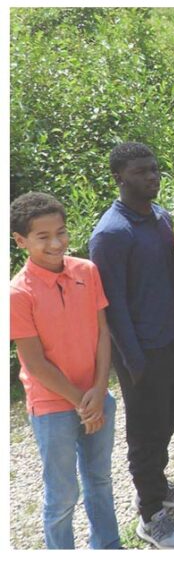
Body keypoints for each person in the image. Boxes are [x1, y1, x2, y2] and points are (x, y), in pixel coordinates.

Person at [88, 143, 174, 549]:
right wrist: (134, 363)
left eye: (154, 168)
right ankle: (151, 515)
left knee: (166, 420)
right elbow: (112, 309)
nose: (152, 176)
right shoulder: (111, 234)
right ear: (119, 177)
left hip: (173, 340)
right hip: (142, 353)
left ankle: (158, 484)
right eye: (140, 171)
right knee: (145, 433)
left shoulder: (160, 217)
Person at [10, 192, 120, 549]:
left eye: (62, 232)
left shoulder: (86, 271)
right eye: (43, 237)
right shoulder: (17, 294)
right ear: (21, 240)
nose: (57, 243)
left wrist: (99, 389)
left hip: (96, 393)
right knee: (62, 494)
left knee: (100, 479)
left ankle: (108, 546)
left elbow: (103, 332)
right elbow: (35, 362)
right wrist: (80, 402)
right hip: (53, 406)